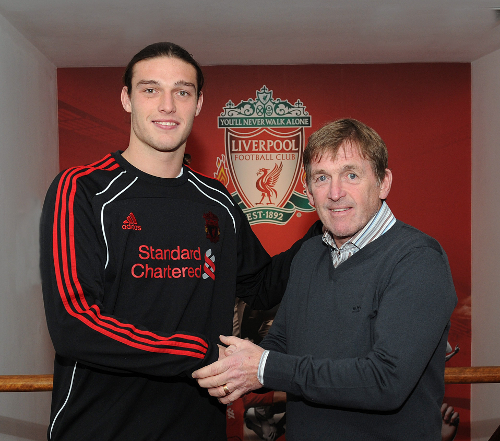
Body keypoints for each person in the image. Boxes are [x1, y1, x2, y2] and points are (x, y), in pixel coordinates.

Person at [40, 42, 319, 441]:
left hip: (197, 427)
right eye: (150, 89)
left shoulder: (217, 201)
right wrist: (203, 355)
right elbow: (74, 323)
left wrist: (328, 223)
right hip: (101, 428)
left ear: (199, 103)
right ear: (127, 99)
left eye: (182, 92)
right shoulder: (83, 190)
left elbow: (261, 286)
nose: (167, 105)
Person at [193, 118, 458, 440]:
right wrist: (237, 365)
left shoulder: (417, 259)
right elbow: (282, 342)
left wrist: (264, 367)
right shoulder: (308, 254)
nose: (335, 192)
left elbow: (386, 382)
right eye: (322, 178)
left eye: (351, 175)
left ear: (384, 182)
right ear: (307, 190)